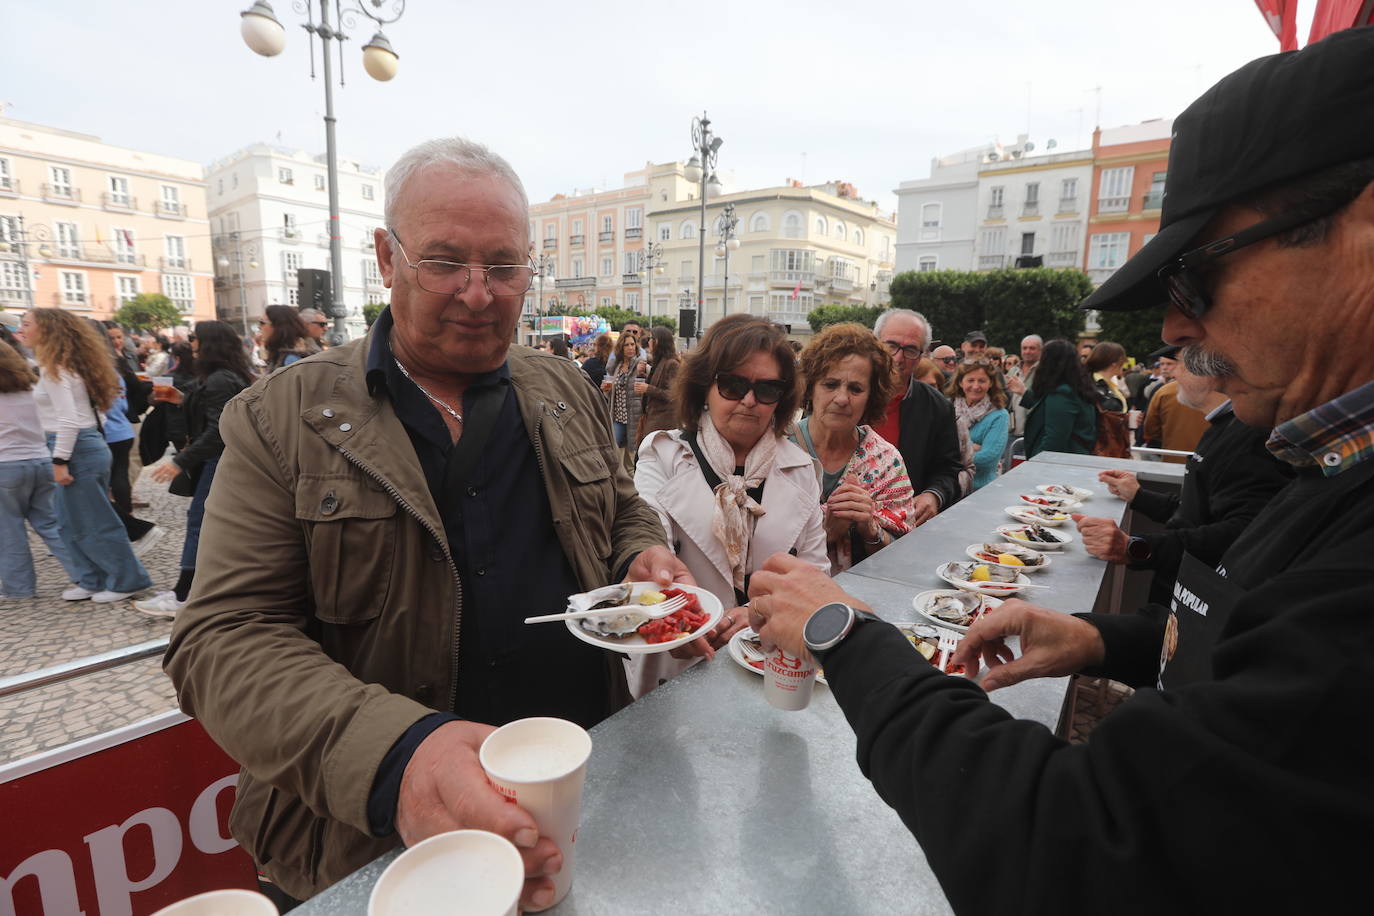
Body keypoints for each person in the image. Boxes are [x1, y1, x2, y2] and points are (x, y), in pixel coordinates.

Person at [744, 30, 1374, 911]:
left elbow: (1076, 846)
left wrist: (845, 638)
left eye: (1196, 281)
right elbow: (1255, 668)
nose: (1179, 332)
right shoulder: (1329, 467)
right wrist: (1103, 639)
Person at [163, 136, 684, 910]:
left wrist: (642, 555)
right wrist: (398, 759)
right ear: (386, 257)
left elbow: (619, 507)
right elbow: (222, 638)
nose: (479, 293)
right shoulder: (280, 419)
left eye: (504, 265)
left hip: (573, 796)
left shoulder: (562, 386)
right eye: (444, 261)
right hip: (374, 849)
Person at [633, 313, 827, 695]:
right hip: (680, 661)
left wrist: (758, 615)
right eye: (733, 385)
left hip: (769, 665)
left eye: (767, 389)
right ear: (705, 387)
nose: (750, 401)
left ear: (781, 399)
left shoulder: (800, 468)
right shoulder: (663, 455)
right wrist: (686, 619)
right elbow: (647, 538)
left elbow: (815, 573)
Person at [1076, 363, 1292, 605]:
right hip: (1181, 591)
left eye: (1184, 364)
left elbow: (1241, 532)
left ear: (1214, 375)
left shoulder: (1252, 436)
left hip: (1202, 600)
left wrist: (1134, 548)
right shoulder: (1225, 427)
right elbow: (1198, 512)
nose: (1175, 373)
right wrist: (1139, 496)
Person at [16, 308, 152, 602]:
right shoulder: (64, 366)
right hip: (81, 445)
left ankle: (127, 580)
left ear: (47, 330)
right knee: (68, 521)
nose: (21, 330)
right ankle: (92, 579)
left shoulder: (58, 370)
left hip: (75, 449)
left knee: (95, 520)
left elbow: (69, 420)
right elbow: (93, 413)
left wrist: (60, 460)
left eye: (26, 324)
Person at [133, 321, 256, 618]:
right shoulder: (222, 377)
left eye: (194, 338)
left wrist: (179, 461)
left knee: (199, 524)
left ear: (209, 342)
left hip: (220, 461)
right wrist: (182, 400)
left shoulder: (219, 379)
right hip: (225, 461)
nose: (191, 343)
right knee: (214, 526)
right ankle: (206, 591)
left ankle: (184, 595)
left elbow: (219, 430)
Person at [792, 323, 915, 572]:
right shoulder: (776, 449)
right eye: (830, 384)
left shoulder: (886, 461)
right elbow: (747, 546)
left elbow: (901, 557)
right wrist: (826, 533)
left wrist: (869, 527)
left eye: (856, 389)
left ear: (872, 397)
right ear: (811, 386)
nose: (841, 398)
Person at [0, 338, 83, 599]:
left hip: (5, 465)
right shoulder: (32, 385)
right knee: (52, 525)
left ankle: (19, 588)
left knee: (9, 530)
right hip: (41, 460)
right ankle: (84, 575)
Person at [869, 309, 964, 525]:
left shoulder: (938, 407)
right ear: (874, 344)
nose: (898, 358)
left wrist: (934, 495)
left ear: (922, 355)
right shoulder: (846, 395)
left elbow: (948, 470)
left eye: (910, 350)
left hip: (904, 526)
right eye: (891, 345)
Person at [90, 320, 162, 555]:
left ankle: (128, 527)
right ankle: (128, 521)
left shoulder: (91, 368)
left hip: (108, 430)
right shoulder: (112, 364)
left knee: (102, 485)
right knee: (118, 478)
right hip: (121, 427)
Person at [1019, 338, 1096, 457]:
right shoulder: (1075, 387)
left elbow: (1054, 440)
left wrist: (1036, 464)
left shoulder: (1062, 393)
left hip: (1059, 466)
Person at [945, 358, 1010, 490]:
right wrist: (971, 448)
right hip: (948, 488)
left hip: (980, 490)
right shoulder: (947, 408)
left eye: (982, 381)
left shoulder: (999, 416)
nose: (975, 386)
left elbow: (988, 458)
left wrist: (952, 452)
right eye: (970, 380)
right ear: (960, 382)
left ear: (990, 383)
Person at [1141, 345, 1209, 463]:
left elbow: (1151, 430)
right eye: (1162, 364)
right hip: (1211, 464)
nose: (1165, 368)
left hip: (1175, 460)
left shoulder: (1164, 392)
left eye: (1170, 364)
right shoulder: (1225, 390)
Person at [637, 325, 681, 444]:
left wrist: (648, 388)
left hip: (663, 424)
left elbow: (673, 395)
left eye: (651, 339)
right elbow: (659, 384)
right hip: (653, 420)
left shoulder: (672, 364)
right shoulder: (660, 361)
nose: (648, 342)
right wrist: (642, 375)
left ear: (658, 342)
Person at [606, 331, 647, 455]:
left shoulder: (641, 365)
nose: (630, 347)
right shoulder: (616, 367)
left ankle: (629, 475)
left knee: (632, 457)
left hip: (634, 417)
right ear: (620, 348)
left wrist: (643, 373)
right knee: (613, 450)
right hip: (618, 417)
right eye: (626, 345)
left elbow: (648, 385)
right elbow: (614, 394)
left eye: (632, 344)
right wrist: (606, 390)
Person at [260, 304, 315, 371]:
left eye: (262, 322)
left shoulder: (291, 360)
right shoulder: (279, 355)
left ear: (277, 327)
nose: (259, 327)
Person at [1085, 341, 1130, 412]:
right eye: (1123, 360)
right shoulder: (1095, 386)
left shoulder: (1107, 384)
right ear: (1114, 363)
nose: (1125, 363)